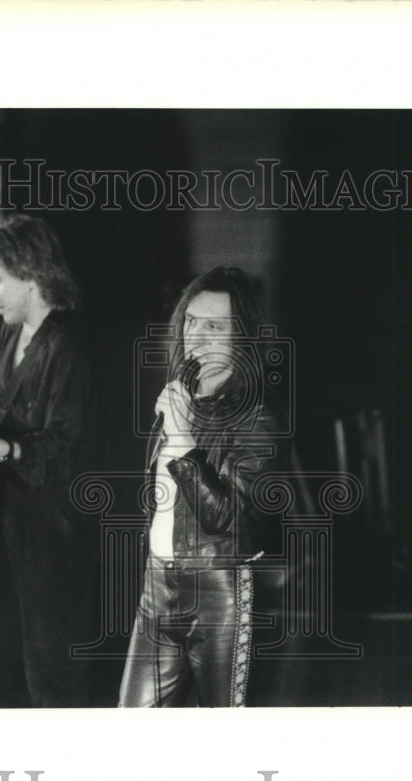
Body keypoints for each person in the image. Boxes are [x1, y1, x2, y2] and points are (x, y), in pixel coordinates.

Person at [0, 215, 99, 707]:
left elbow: (68, 443)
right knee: (1, 660)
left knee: (48, 666)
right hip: (10, 518)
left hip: (54, 528)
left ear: (32, 276)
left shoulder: (67, 347)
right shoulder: (8, 335)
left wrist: (5, 449)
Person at [119, 266, 290, 707]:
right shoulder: (183, 398)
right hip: (158, 587)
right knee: (129, 728)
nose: (196, 336)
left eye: (214, 326)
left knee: (224, 734)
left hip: (220, 594)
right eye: (190, 322)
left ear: (244, 337)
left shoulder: (259, 418)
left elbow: (230, 521)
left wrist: (183, 442)